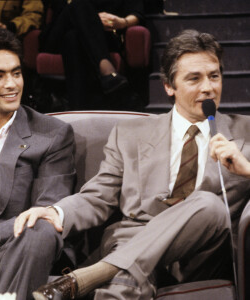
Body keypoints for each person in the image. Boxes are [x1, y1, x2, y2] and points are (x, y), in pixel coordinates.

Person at [14, 29, 250, 300]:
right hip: (134, 236)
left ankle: (90, 275)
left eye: (214, 76)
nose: (208, 87)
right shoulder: (131, 134)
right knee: (125, 281)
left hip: (202, 254)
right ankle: (113, 272)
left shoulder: (246, 132)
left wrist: (247, 169)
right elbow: (98, 196)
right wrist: (57, 212)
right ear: (168, 86)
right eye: (194, 78)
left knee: (210, 206)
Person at [0, 26, 75, 300]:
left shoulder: (52, 134)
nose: (12, 84)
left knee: (42, 226)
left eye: (16, 73)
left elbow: (48, 209)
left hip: (15, 249)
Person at [39, 0, 145, 110]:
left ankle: (77, 112)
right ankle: (107, 71)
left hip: (102, 38)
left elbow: (137, 13)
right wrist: (90, 17)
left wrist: (122, 22)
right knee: (79, 5)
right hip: (58, 34)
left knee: (72, 39)